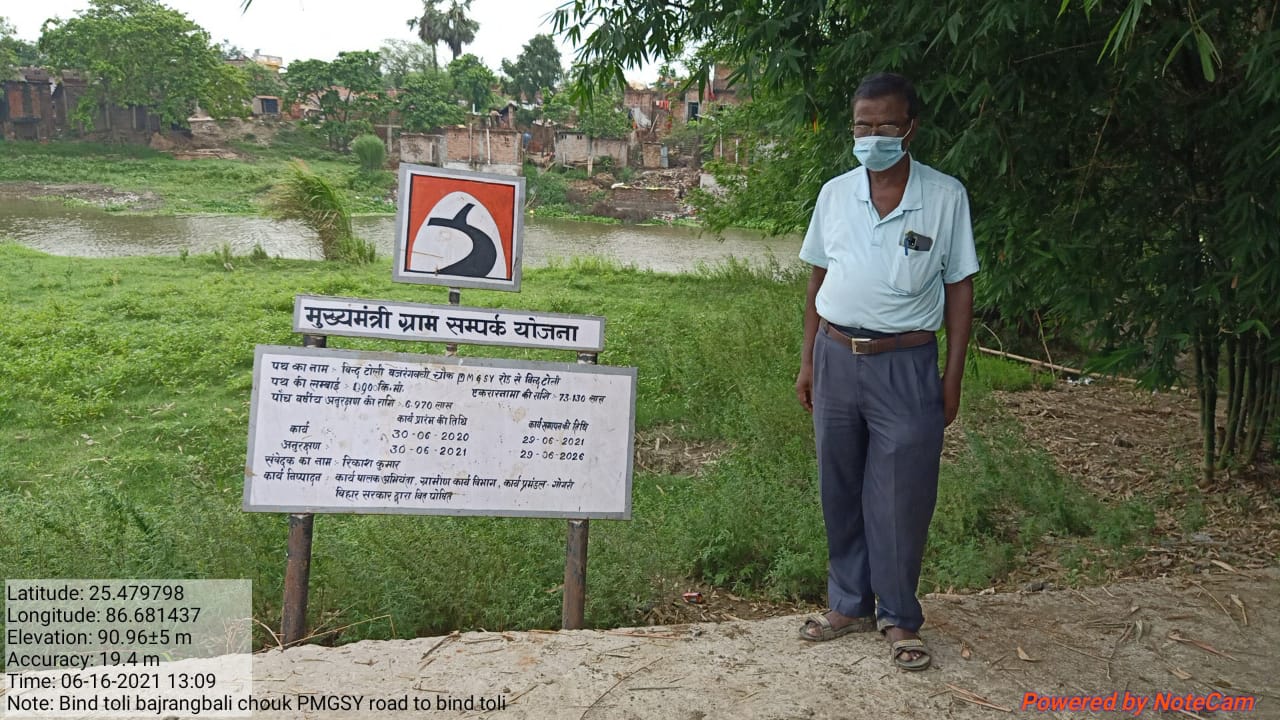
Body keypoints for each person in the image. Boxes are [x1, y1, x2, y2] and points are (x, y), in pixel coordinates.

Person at [793, 72, 979, 671]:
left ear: (910, 128)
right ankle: (848, 604)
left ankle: (898, 616)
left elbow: (960, 288)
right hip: (835, 357)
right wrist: (807, 360)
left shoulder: (945, 197)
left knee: (902, 495)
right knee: (839, 486)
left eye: (885, 126)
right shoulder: (834, 195)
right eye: (862, 127)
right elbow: (817, 278)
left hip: (906, 364)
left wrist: (951, 377)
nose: (872, 137)